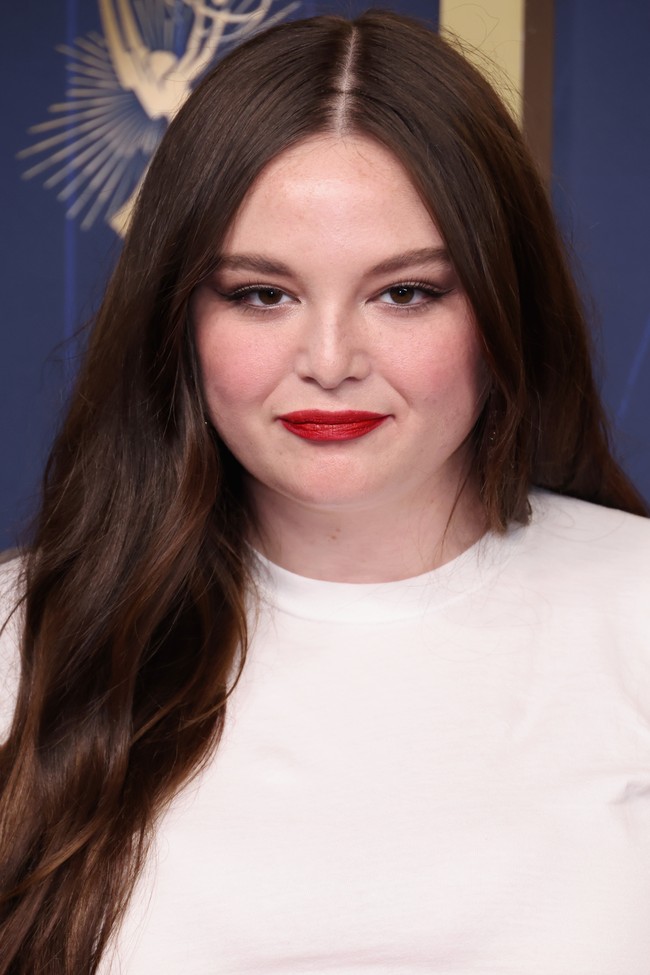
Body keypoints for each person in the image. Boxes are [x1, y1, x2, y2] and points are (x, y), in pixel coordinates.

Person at [1, 9, 649, 974]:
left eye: (407, 292)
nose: (331, 361)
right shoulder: (20, 634)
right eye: (263, 293)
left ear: (501, 306)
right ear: (180, 314)